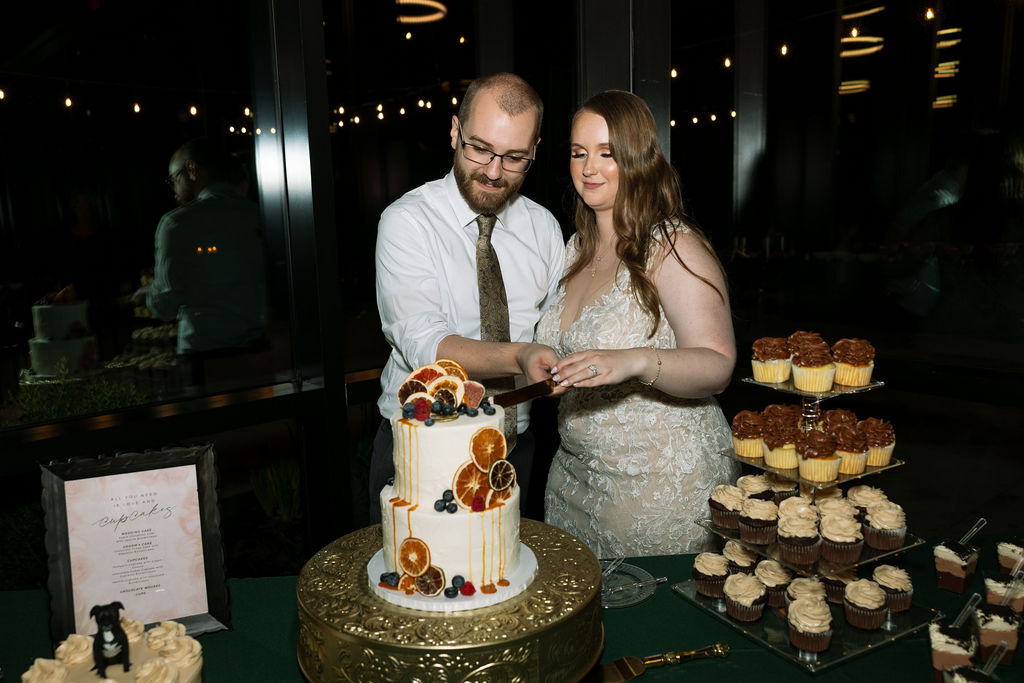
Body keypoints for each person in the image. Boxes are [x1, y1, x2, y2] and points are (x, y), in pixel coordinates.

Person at [535, 90, 739, 557]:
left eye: (607, 154)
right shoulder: (573, 250)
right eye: (578, 153)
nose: (589, 169)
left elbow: (718, 365)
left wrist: (634, 361)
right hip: (575, 482)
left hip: (661, 489)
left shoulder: (671, 245)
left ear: (638, 159)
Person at [371, 73, 566, 523]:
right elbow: (424, 345)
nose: (494, 171)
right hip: (421, 447)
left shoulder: (544, 229)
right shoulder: (406, 222)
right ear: (455, 131)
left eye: (515, 157)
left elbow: (558, 331)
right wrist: (521, 355)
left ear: (535, 149)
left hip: (514, 449)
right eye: (480, 148)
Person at [132, 138, 268, 376]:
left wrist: (148, 294)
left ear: (192, 170)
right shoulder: (257, 214)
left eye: (174, 179)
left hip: (205, 355)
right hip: (259, 351)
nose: (174, 191)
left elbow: (166, 304)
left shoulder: (175, 224)